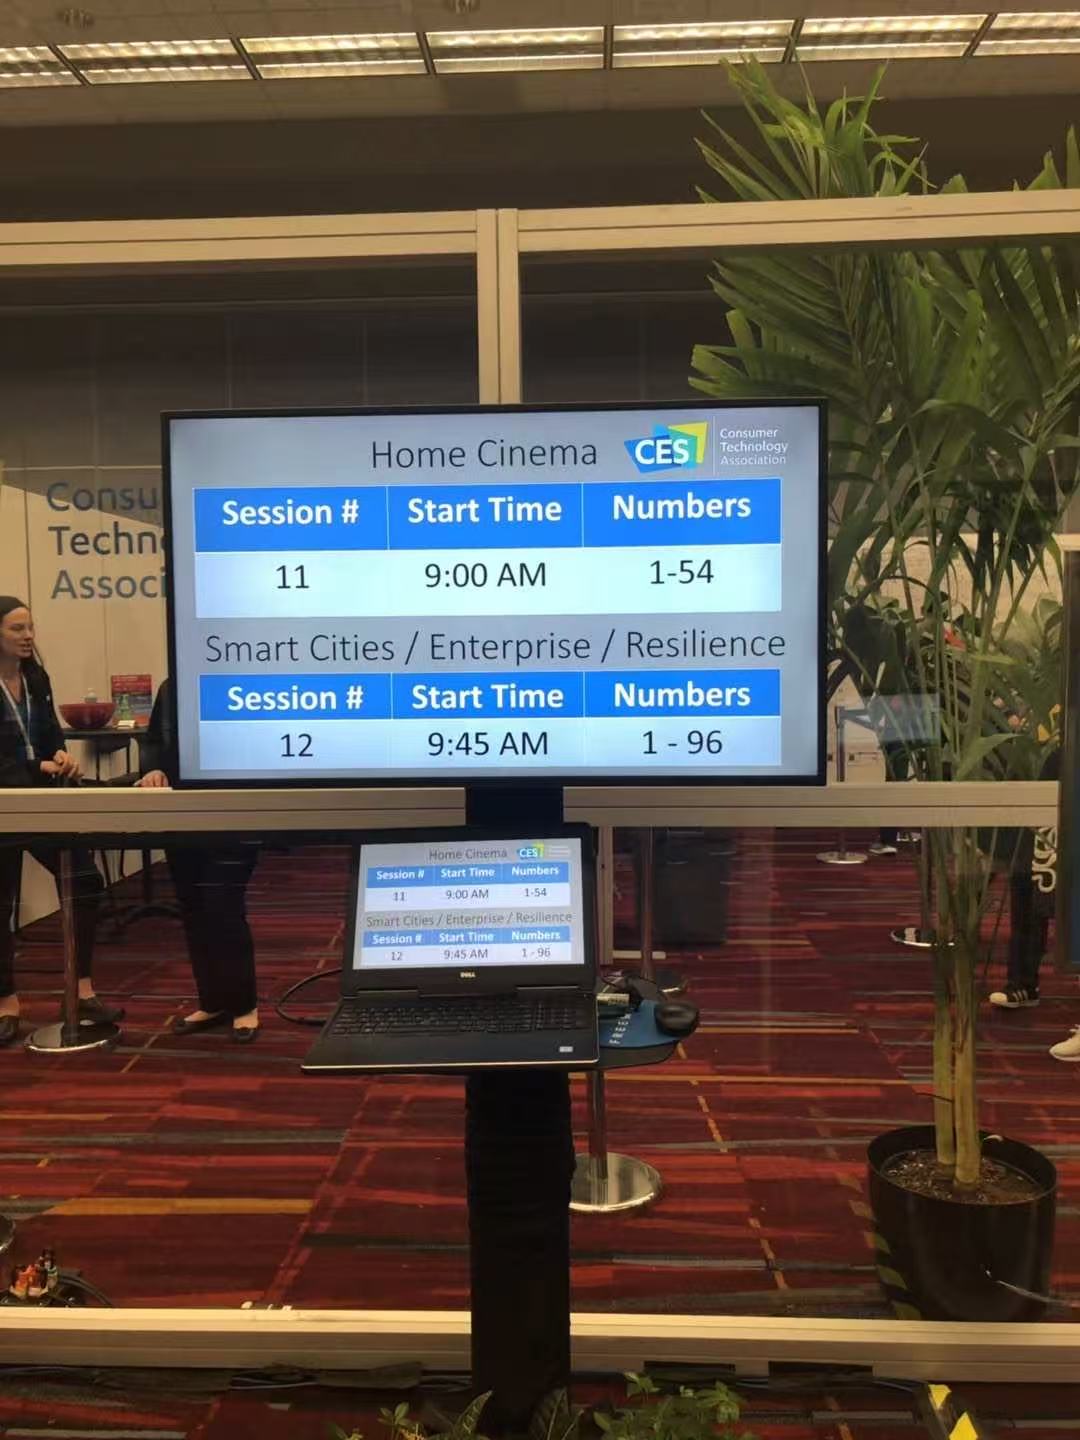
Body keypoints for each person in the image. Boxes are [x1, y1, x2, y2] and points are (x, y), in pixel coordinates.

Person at [0, 595, 122, 1047]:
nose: (28, 636)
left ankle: (81, 990)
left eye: (30, 627)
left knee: (84, 879)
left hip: (44, 800)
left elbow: (50, 733)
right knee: (1, 904)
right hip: (4, 803)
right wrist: (36, 767)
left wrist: (61, 756)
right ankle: (6, 1002)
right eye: (17, 629)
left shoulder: (36, 677)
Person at [137, 678, 260, 1042]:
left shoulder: (241, 685)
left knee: (223, 906)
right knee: (193, 908)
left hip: (232, 813)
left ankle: (244, 1006)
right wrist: (151, 770)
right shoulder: (170, 688)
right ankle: (213, 1001)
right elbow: (153, 744)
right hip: (181, 814)